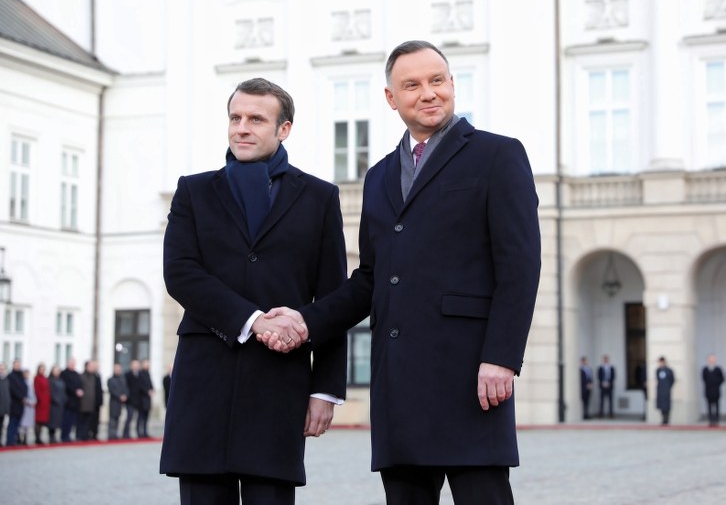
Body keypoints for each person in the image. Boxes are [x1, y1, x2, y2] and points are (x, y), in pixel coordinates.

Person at [261, 40, 541, 505]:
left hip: (472, 374)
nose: (428, 93)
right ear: (392, 98)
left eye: (437, 81)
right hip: (400, 384)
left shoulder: (498, 156)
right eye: (412, 85)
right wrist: (307, 321)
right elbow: (370, 278)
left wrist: (503, 357)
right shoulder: (380, 177)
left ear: (452, 85)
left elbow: (520, 264)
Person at [159, 76, 349, 505]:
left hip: (280, 385)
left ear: (284, 129)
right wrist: (253, 320)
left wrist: (325, 390)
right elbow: (181, 273)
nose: (242, 127)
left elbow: (333, 298)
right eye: (235, 117)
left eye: (256, 119)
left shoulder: (320, 197)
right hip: (204, 380)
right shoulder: (193, 190)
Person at [60, 357, 84, 442]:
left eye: (74, 363)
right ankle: (64, 436)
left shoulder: (76, 374)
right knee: (66, 420)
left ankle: (69, 435)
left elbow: (80, 384)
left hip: (76, 402)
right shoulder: (64, 373)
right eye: (71, 363)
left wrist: (80, 390)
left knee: (72, 421)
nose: (73, 365)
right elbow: (66, 385)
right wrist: (75, 391)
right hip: (67, 401)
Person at [6, 359, 26, 446]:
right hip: (14, 403)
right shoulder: (10, 376)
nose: (18, 366)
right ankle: (10, 440)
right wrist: (21, 397)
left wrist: (24, 397)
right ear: (13, 365)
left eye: (19, 364)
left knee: (18, 423)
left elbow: (25, 387)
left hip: (21, 403)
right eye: (16, 364)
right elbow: (12, 389)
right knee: (12, 422)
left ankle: (15, 439)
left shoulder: (21, 376)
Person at [79, 360, 100, 441]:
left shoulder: (93, 377)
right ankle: (81, 435)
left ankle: (87, 435)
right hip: (84, 402)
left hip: (91, 403)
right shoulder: (82, 376)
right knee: (82, 421)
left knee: (89, 421)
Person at [107, 363, 129, 440]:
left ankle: (115, 434)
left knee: (118, 418)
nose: (118, 370)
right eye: (116, 369)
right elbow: (112, 390)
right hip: (114, 402)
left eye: (119, 369)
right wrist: (120, 396)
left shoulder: (122, 379)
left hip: (120, 403)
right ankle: (111, 434)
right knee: (112, 419)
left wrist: (125, 395)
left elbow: (125, 388)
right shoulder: (110, 380)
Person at [701, 354, 724, 426]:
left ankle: (716, 420)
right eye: (710, 359)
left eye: (713, 359)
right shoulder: (705, 369)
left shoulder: (718, 369)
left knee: (717, 406)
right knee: (709, 406)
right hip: (708, 390)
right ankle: (711, 420)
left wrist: (716, 383)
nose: (711, 360)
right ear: (708, 360)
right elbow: (704, 379)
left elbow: (722, 379)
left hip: (716, 390)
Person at [123, 359, 141, 439]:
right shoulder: (127, 375)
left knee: (138, 418)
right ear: (131, 366)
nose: (136, 367)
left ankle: (138, 432)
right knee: (129, 417)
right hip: (130, 400)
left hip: (138, 400)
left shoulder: (140, 375)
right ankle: (125, 434)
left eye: (137, 365)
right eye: (134, 365)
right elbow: (125, 386)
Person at [48, 365, 66, 443]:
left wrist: (64, 399)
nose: (57, 372)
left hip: (61, 404)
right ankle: (51, 436)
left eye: (58, 370)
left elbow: (63, 391)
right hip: (53, 404)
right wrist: (56, 400)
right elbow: (50, 392)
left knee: (57, 421)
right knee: (52, 421)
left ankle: (55, 435)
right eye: (56, 370)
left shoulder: (61, 380)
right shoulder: (50, 380)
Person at [33, 363, 51, 444]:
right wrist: (40, 399)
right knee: (38, 420)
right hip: (40, 402)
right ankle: (37, 437)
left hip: (46, 402)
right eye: (41, 369)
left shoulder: (45, 378)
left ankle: (40, 436)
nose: (43, 371)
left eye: (44, 369)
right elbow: (37, 389)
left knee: (43, 421)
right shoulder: (37, 378)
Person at [655, 357, 675, 425]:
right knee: (661, 406)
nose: (661, 363)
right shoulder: (658, 370)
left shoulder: (669, 370)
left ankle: (666, 419)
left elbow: (672, 380)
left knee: (666, 406)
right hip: (660, 390)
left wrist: (668, 387)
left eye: (662, 362)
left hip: (666, 390)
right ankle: (663, 419)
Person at [19, 368, 36, 445]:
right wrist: (28, 401)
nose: (27, 375)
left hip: (31, 406)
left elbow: (33, 393)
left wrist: (34, 401)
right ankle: (20, 437)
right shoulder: (21, 382)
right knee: (22, 423)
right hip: (25, 405)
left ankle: (25, 437)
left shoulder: (30, 382)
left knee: (28, 424)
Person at [138, 359, 154, 438]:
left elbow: (150, 384)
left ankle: (145, 432)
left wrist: (152, 390)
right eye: (146, 364)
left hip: (147, 399)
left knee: (146, 417)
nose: (147, 365)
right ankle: (139, 432)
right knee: (141, 416)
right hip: (142, 399)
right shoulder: (140, 374)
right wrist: (147, 391)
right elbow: (140, 386)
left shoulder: (148, 373)